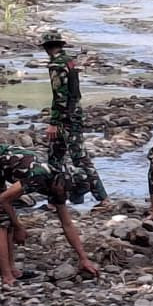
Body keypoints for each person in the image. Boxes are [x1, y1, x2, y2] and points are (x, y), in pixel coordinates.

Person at [0, 144, 100, 285]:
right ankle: (7, 277)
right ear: (61, 184)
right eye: (66, 192)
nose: (64, 195)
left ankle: (12, 270)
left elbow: (67, 224)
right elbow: (3, 200)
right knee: (0, 220)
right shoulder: (39, 175)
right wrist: (19, 227)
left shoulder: (59, 187)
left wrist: (83, 258)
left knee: (7, 218)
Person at [41, 30, 108, 206]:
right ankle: (55, 200)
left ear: (47, 47)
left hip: (66, 118)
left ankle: (103, 198)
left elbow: (60, 95)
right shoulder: (68, 61)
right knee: (54, 158)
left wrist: (54, 122)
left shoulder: (57, 65)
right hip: (73, 113)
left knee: (79, 159)